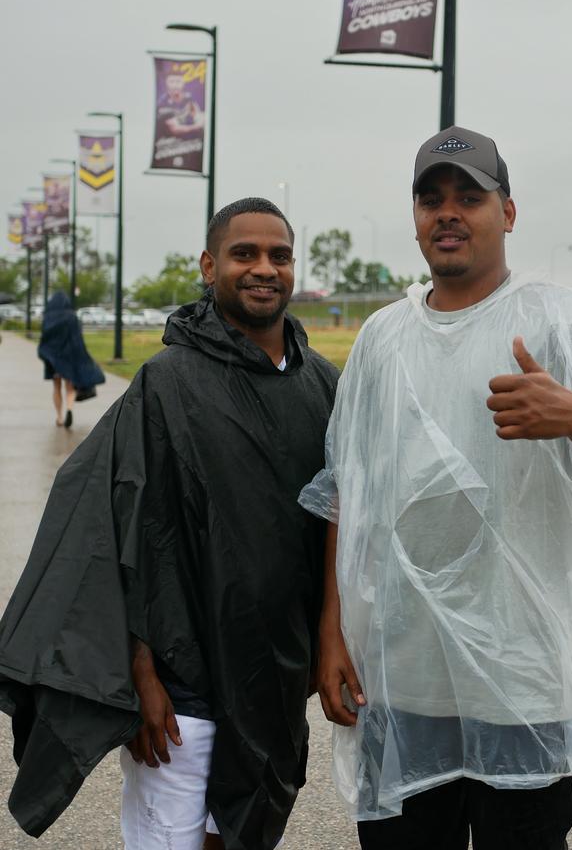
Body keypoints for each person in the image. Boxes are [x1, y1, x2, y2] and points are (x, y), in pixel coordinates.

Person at [300, 126, 572, 850]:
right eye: (431, 200)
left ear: (509, 212)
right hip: (404, 682)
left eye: (470, 196)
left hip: (526, 685)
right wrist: (333, 633)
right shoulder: (381, 339)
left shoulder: (560, 319)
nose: (448, 213)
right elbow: (347, 494)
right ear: (417, 217)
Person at [0, 198, 338, 850]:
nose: (264, 268)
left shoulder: (322, 386)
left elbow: (338, 526)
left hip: (272, 684)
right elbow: (111, 531)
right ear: (210, 266)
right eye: (245, 254)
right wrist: (140, 674)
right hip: (182, 692)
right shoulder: (165, 385)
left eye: (279, 255)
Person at [37, 290, 105, 428]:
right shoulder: (71, 317)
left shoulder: (47, 318)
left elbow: (44, 339)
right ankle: (69, 409)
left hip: (53, 359)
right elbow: (77, 340)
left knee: (56, 387)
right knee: (70, 387)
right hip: (68, 358)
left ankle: (59, 417)